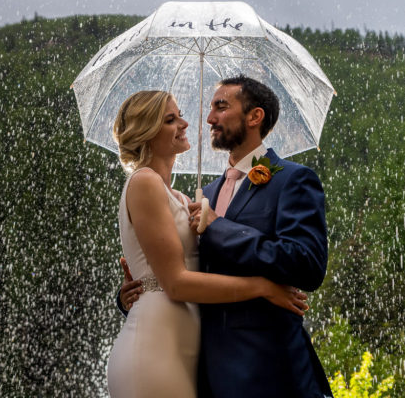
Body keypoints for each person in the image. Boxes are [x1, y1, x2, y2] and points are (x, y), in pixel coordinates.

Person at [120, 76, 332, 397]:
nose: (208, 119)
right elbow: (181, 273)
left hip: (268, 369)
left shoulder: (293, 180)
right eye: (210, 109)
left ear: (254, 117)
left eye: (221, 107)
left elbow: (307, 265)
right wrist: (137, 294)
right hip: (200, 368)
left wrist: (218, 227)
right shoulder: (203, 194)